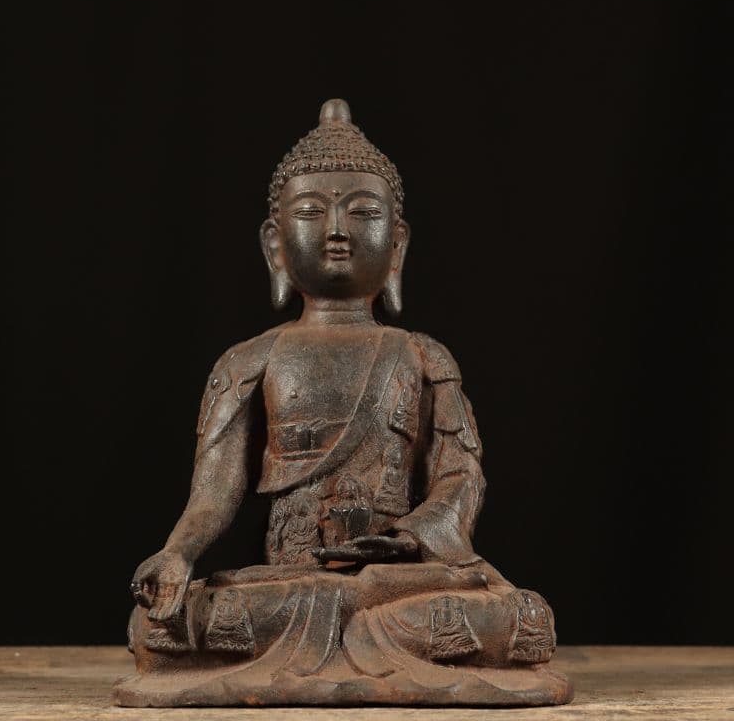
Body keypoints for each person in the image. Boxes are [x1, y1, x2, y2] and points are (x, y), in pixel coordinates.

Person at [115, 100, 572, 707]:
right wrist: (176, 554)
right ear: (275, 246)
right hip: (292, 582)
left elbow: (461, 478)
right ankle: (354, 627)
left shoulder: (423, 356)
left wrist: (408, 539)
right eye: (311, 213)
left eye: (362, 213)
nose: (337, 231)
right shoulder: (247, 360)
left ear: (397, 244)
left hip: (395, 584)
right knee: (156, 621)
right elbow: (215, 492)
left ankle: (356, 619)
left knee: (523, 615)